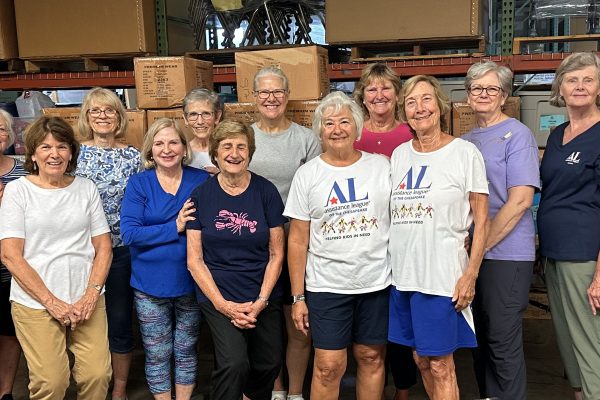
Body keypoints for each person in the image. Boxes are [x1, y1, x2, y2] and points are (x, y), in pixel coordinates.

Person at [285, 91, 391, 400]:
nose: (337, 129)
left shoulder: (382, 167)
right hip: (327, 286)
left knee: (371, 357)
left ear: (358, 128)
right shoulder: (307, 175)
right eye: (329, 123)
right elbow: (298, 239)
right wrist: (297, 297)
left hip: (376, 283)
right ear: (320, 130)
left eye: (345, 121)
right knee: (329, 365)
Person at [388, 75, 489, 400]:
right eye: (411, 102)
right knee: (420, 359)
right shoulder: (400, 155)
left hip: (442, 279)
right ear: (404, 112)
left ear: (440, 104)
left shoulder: (464, 153)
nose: (420, 109)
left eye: (426, 99)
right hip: (403, 279)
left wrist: (470, 274)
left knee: (441, 364)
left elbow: (482, 220)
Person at [0, 116, 113, 400]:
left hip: (86, 298)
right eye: (46, 147)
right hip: (36, 302)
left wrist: (90, 295)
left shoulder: (85, 188)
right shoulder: (18, 191)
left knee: (97, 375)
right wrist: (52, 302)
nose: (55, 154)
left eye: (62, 147)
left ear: (72, 152)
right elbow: (10, 255)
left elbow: (103, 247)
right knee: (51, 382)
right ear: (33, 154)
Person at [187, 120, 286, 400]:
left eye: (241, 146)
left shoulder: (266, 192)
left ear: (250, 153)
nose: (234, 153)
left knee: (269, 363)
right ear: (215, 154)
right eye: (227, 146)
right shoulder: (201, 196)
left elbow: (276, 253)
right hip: (219, 294)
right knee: (233, 363)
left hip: (261, 292)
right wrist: (223, 305)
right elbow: (195, 260)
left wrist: (261, 301)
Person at [461, 61, 540, 400]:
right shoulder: (464, 140)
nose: (483, 94)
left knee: (501, 339)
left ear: (504, 96)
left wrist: (479, 247)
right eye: (477, 88)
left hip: (507, 253)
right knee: (480, 339)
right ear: (467, 95)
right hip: (473, 253)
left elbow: (520, 200)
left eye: (491, 89)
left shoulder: (517, 134)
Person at [120, 118, 209, 400]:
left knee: (186, 348)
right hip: (150, 284)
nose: (166, 149)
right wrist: (174, 227)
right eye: (159, 143)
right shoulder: (139, 184)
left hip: (192, 281)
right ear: (150, 150)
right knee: (157, 351)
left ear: (184, 148)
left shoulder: (202, 180)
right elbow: (130, 234)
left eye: (173, 142)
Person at [248, 65, 321, 400]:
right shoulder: (244, 138)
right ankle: (275, 389)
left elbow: (316, 192)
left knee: (298, 322)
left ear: (287, 95)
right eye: (264, 91)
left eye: (277, 91)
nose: (271, 98)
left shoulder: (305, 139)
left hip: (296, 243)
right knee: (266, 323)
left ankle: (294, 392)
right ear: (254, 97)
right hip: (254, 245)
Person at [537, 52, 600, 400]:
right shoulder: (560, 133)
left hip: (584, 256)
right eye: (572, 79)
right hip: (553, 254)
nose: (579, 87)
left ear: (599, 87)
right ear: (560, 86)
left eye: (588, 79)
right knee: (567, 342)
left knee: (590, 343)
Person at [353, 62, 417, 400]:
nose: (379, 95)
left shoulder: (410, 133)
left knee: (401, 316)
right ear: (362, 96)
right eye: (372, 89)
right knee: (374, 323)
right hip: (363, 238)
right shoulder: (353, 133)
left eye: (386, 88)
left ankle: (403, 389)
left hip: (405, 235)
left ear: (397, 94)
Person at [74, 87, 141, 400]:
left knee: (118, 319)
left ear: (119, 116)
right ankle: (88, 382)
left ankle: (119, 388)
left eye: (110, 110)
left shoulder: (132, 157)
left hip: (120, 253)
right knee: (83, 318)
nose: (103, 116)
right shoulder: (72, 154)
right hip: (80, 253)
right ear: (87, 117)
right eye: (95, 111)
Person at [0, 109, 26, 400]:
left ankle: (5, 391)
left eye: (2, 129)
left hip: (14, 270)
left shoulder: (23, 173)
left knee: (10, 332)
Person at [182, 88, 222, 174]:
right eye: (193, 114)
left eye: (206, 114)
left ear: (217, 117)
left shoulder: (229, 151)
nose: (200, 122)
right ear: (185, 119)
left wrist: (223, 176)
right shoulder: (180, 153)